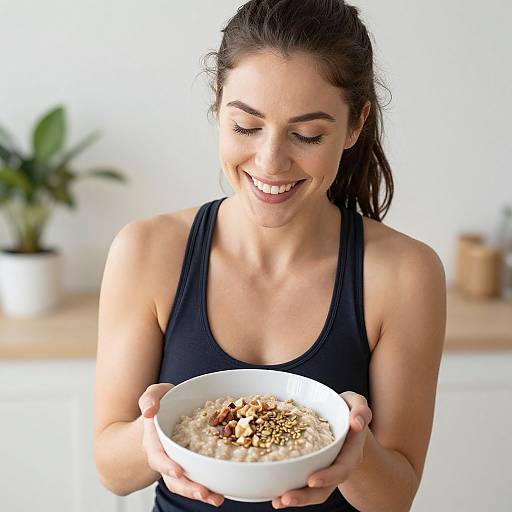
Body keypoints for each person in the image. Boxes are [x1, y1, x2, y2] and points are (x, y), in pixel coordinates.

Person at [93, 1, 446, 511]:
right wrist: (151, 436)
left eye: (307, 135)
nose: (270, 161)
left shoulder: (405, 273)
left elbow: (394, 499)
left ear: (354, 124)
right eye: (246, 127)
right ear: (219, 106)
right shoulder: (146, 251)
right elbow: (111, 470)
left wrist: (355, 448)